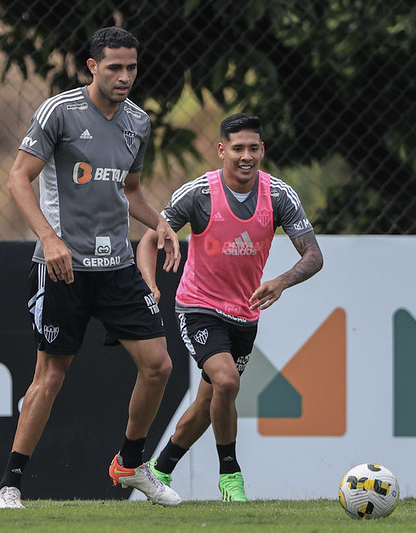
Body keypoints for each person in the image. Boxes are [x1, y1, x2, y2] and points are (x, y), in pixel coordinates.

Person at [0, 26, 181, 509]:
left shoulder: (138, 122)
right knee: (50, 377)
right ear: (92, 66)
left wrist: (161, 224)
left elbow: (131, 189)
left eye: (131, 67)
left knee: (158, 365)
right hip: (63, 267)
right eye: (114, 67)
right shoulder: (59, 112)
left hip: (116, 265)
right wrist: (49, 240)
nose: (124, 76)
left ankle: (130, 464)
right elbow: (18, 179)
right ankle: (11, 484)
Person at [136, 113, 323, 501]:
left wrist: (282, 280)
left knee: (209, 402)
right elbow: (149, 238)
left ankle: (160, 468)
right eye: (237, 148)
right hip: (198, 305)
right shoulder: (199, 194)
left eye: (253, 148)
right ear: (222, 150)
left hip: (245, 313)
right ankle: (230, 476)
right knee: (226, 381)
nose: (246, 156)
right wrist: (151, 282)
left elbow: (314, 255)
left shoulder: (278, 195)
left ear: (262, 150)